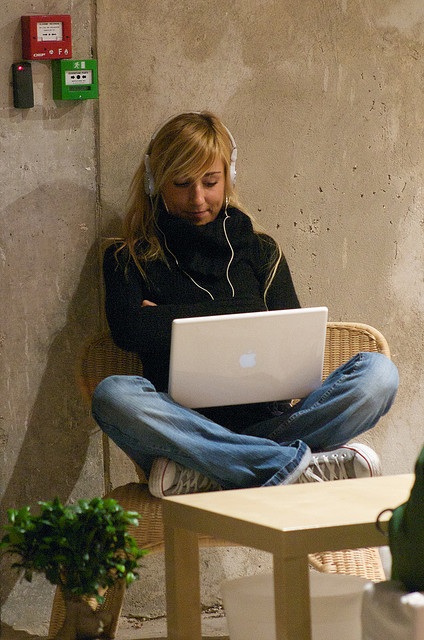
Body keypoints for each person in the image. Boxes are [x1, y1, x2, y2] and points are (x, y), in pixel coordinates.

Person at [92, 111, 399, 498]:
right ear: (156, 182)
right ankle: (285, 465)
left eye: (210, 181)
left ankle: (216, 471)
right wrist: (243, 307)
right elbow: (131, 331)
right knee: (114, 397)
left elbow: (292, 342)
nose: (198, 198)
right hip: (184, 428)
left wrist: (166, 318)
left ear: (229, 176)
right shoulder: (127, 257)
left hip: (268, 425)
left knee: (379, 375)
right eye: (182, 183)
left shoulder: (261, 250)